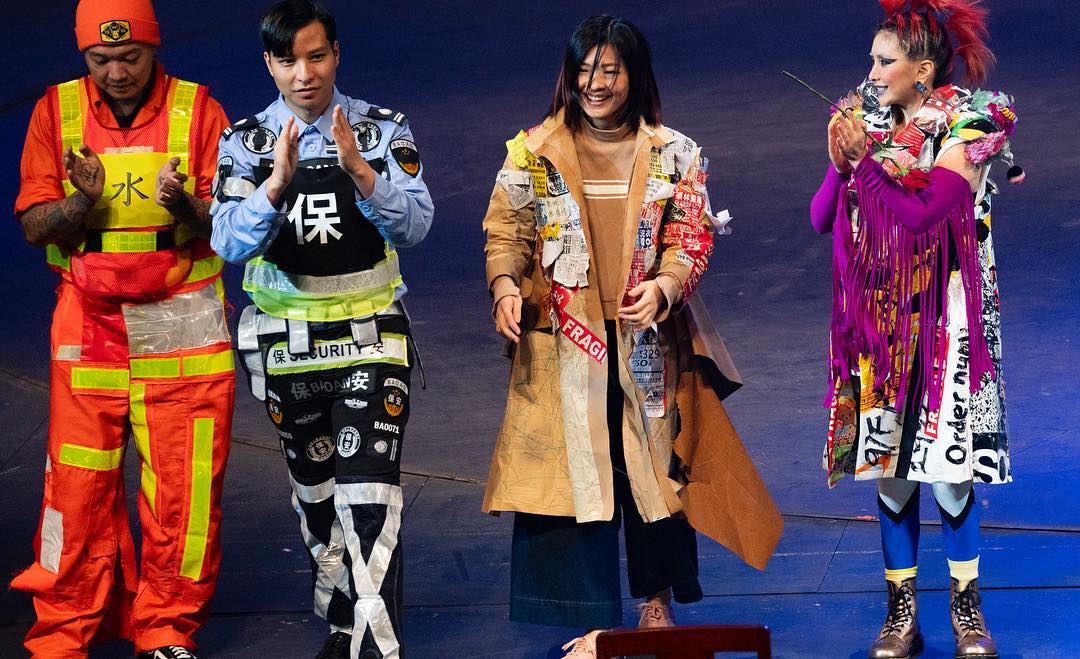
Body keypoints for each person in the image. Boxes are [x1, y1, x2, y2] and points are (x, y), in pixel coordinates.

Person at [482, 15, 782, 659]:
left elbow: (690, 236)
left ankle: (655, 603)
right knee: (578, 474)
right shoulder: (533, 151)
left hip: (647, 342)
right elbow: (506, 230)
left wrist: (667, 285)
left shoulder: (675, 152)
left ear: (634, 75)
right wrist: (505, 285)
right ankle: (593, 620)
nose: (596, 84)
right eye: (584, 70)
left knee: (653, 473)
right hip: (565, 344)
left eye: (610, 71)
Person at [11, 0, 235, 657]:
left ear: (154, 48)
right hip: (89, 326)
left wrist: (182, 202)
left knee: (185, 488)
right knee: (76, 489)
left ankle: (167, 628)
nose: (116, 71)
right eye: (100, 58)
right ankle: (62, 632)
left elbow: (235, 224)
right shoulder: (56, 112)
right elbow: (33, 225)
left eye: (129, 56)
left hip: (182, 322)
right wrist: (82, 200)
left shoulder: (201, 112)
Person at [210, 1, 433, 657]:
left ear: (336, 54)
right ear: (269, 64)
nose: (303, 74)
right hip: (286, 348)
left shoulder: (382, 130)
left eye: (316, 56)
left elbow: (416, 225)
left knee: (368, 494)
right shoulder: (245, 143)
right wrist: (275, 185)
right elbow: (227, 241)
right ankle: (343, 622)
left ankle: (373, 646)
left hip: (372, 338)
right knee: (317, 499)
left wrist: (362, 172)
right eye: (288, 61)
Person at [809, 0, 1019, 656]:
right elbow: (821, 218)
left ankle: (966, 608)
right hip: (878, 317)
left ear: (922, 69)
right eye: (871, 60)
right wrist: (839, 163)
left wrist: (866, 165)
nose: (871, 72)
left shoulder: (976, 122)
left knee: (951, 471)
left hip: (948, 318)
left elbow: (928, 215)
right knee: (890, 469)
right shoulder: (862, 120)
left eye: (884, 61)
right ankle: (901, 613)